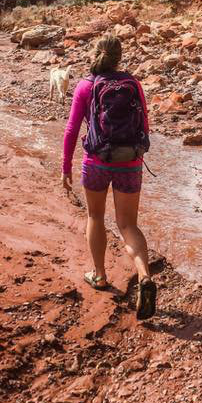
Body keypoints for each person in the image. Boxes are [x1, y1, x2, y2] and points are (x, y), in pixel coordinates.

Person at [61, 34, 157, 320]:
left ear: (95, 54)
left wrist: (65, 166)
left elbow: (71, 129)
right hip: (130, 161)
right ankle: (144, 276)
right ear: (120, 56)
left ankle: (100, 275)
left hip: (96, 162)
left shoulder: (85, 86)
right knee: (128, 225)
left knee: (95, 217)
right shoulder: (133, 84)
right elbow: (145, 124)